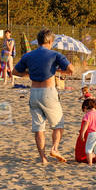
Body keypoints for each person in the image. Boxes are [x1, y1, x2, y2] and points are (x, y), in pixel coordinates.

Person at [13, 30, 75, 164]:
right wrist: (57, 70)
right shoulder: (55, 54)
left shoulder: (28, 55)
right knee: (58, 124)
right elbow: (71, 69)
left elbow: (15, 72)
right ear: (51, 41)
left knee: (39, 128)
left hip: (34, 92)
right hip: (49, 92)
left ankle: (43, 158)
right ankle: (54, 148)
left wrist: (29, 74)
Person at [78, 97, 96, 164]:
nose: (85, 112)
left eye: (84, 110)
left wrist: (82, 133)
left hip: (92, 133)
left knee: (88, 149)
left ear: (86, 107)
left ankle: (90, 163)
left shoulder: (88, 115)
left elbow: (86, 125)